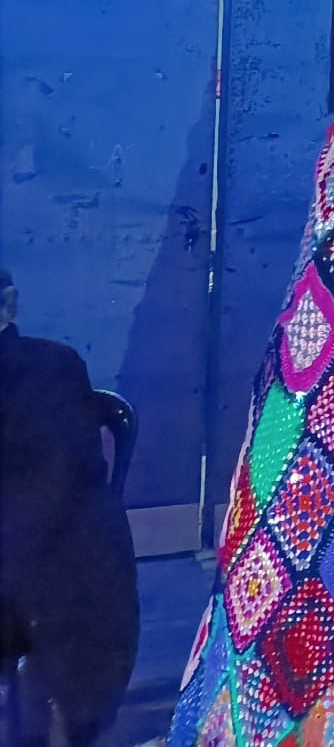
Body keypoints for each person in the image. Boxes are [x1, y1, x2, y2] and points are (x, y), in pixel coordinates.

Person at [0, 267, 138, 747]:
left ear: (8, 304)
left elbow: (50, 482)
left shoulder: (49, 368)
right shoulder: (59, 362)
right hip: (73, 569)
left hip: (47, 571)